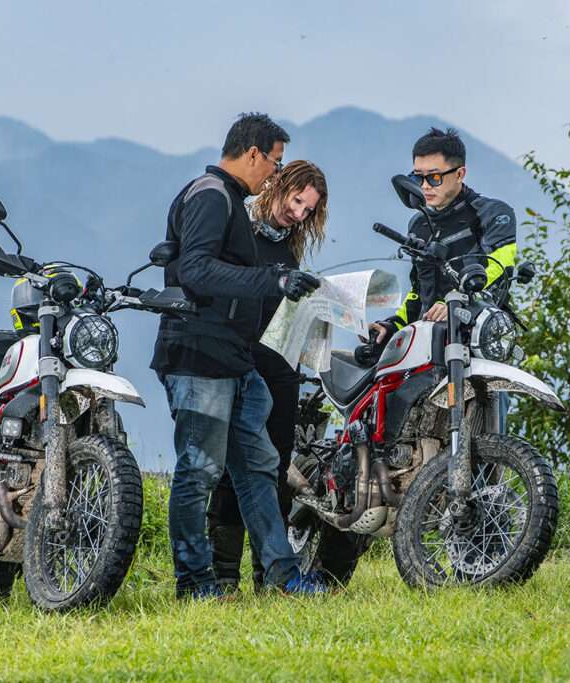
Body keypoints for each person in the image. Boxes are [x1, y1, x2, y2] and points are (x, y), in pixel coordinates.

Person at [150, 113, 325, 599]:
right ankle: (195, 583)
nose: (275, 172)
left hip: (235, 361)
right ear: (253, 154)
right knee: (200, 471)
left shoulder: (230, 201)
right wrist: (275, 280)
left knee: (259, 468)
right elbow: (197, 270)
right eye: (274, 161)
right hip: (199, 355)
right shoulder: (210, 194)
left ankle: (283, 576)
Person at [206, 161, 369, 592]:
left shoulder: (290, 247)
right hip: (241, 362)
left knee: (275, 468)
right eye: (297, 202)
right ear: (277, 185)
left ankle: (269, 576)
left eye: (308, 210)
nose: (299, 214)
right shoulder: (241, 232)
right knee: (228, 469)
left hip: (282, 367)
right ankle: (223, 575)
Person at [369, 127, 517, 342]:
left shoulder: (492, 213)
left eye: (435, 177)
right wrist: (393, 325)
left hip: (479, 336)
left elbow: (498, 267)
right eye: (418, 177)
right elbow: (419, 292)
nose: (425, 186)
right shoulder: (419, 224)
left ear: (460, 174)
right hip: (428, 339)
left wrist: (456, 300)